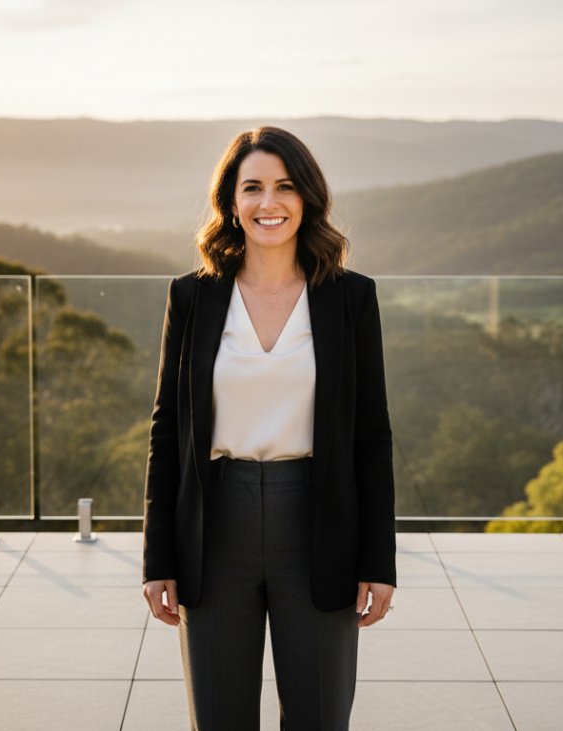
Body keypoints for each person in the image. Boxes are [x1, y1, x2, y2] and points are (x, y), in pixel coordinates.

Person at [141, 125, 397, 730]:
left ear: (307, 197)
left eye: (284, 187)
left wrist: (378, 560)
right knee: (220, 719)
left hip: (317, 524)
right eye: (251, 187)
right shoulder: (193, 298)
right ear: (231, 202)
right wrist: (158, 558)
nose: (268, 203)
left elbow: (371, 435)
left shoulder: (349, 299)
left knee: (318, 717)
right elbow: (167, 430)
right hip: (213, 525)